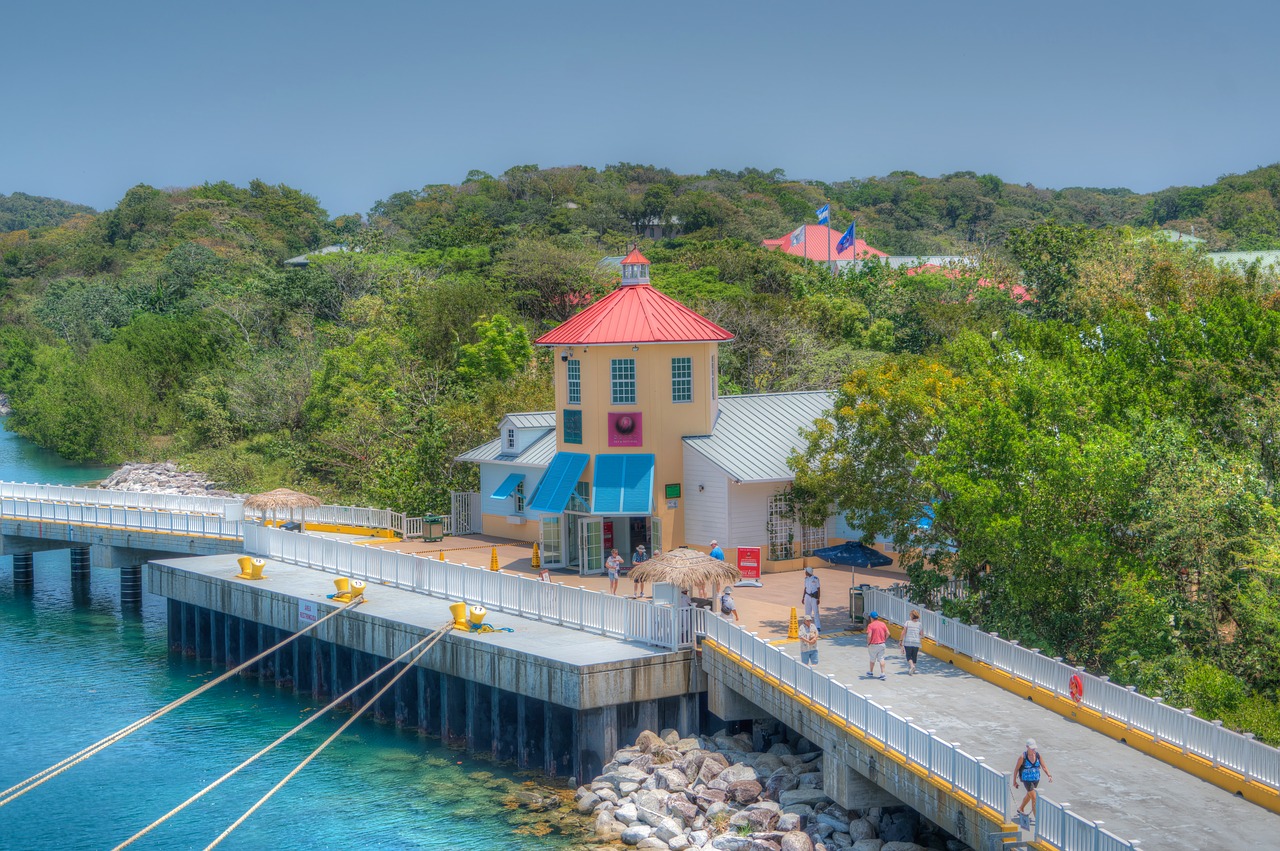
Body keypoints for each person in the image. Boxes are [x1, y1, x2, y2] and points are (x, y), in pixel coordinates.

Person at [1014, 738, 1052, 823]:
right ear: (1027, 747)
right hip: (1026, 780)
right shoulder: (1022, 757)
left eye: (1034, 748)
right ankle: (1037, 819)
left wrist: (1049, 775)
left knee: (1030, 795)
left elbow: (1044, 766)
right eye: (1032, 748)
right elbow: (1016, 769)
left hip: (1036, 779)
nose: (1033, 750)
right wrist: (1014, 782)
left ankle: (1021, 808)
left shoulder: (1038, 756)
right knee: (1034, 798)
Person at [865, 610, 890, 679]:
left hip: (873, 644)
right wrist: (884, 639)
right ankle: (882, 673)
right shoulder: (883, 624)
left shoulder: (870, 625)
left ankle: (871, 672)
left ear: (871, 618)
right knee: (881, 658)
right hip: (882, 644)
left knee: (872, 658)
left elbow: (869, 636)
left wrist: (868, 643)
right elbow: (888, 633)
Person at [902, 609, 923, 675]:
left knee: (909, 656)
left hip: (908, 642)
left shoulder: (907, 623)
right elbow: (922, 634)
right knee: (914, 656)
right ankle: (913, 669)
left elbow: (904, 632)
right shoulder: (919, 624)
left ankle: (912, 666)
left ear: (911, 616)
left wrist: (901, 640)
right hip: (916, 642)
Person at [801, 566, 822, 631]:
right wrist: (803, 597)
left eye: (806, 571)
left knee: (815, 611)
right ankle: (807, 626)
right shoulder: (806, 579)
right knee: (807, 612)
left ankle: (818, 626)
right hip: (807, 596)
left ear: (808, 572)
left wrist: (818, 598)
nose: (805, 573)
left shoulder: (815, 579)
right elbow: (805, 588)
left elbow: (818, 588)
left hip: (814, 597)